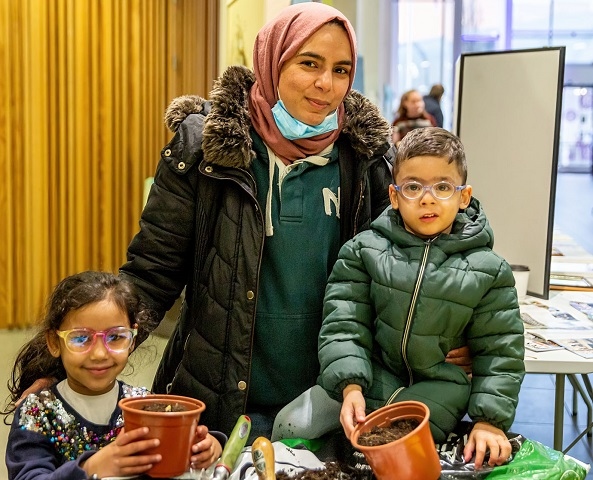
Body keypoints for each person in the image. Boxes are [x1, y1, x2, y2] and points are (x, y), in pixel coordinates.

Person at [272, 127, 525, 470]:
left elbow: (500, 352)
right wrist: (350, 387)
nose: (427, 198)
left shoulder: (489, 271)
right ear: (394, 195)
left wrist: (489, 421)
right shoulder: (363, 251)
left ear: (464, 196)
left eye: (443, 187)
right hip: (367, 379)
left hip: (437, 396)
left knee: (394, 457)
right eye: (413, 187)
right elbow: (344, 323)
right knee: (292, 425)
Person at [3, 271, 223, 480]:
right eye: (81, 339)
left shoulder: (143, 404)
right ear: (54, 342)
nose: (99, 354)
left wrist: (209, 446)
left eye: (116, 337)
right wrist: (90, 468)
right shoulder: (38, 412)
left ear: (133, 340)